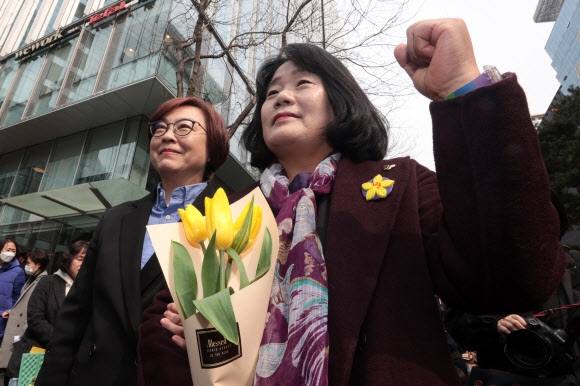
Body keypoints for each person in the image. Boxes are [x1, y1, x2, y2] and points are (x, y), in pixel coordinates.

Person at [138, 18, 567, 385]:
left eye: (302, 84)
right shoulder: (226, 212)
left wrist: (463, 90)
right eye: (270, 93)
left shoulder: (402, 184)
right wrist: (188, 332)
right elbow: (160, 330)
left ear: (340, 103)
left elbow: (515, 275)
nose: (281, 97)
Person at [34, 97, 230, 386]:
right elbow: (75, 315)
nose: (167, 135)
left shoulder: (230, 220)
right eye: (159, 128)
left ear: (213, 147)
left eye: (184, 127)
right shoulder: (115, 219)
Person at [4, 242, 87, 385]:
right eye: (80, 259)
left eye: (88, 261)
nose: (84, 264)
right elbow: (36, 319)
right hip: (33, 361)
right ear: (69, 258)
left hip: (64, 368)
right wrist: (63, 343)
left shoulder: (86, 291)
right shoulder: (47, 282)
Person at [0, 248, 50, 375]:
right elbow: (23, 303)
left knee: (14, 370)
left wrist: (22, 335)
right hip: (16, 326)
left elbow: (35, 310)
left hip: (22, 332)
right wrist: (11, 311)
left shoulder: (43, 282)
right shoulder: (32, 278)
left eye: (28, 263)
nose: (26, 266)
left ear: (38, 264)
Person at [0, 238, 25, 346]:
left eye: (13, 251)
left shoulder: (18, 272)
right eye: (8, 249)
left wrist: (8, 312)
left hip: (2, 319)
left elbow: (17, 297)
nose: (10, 253)